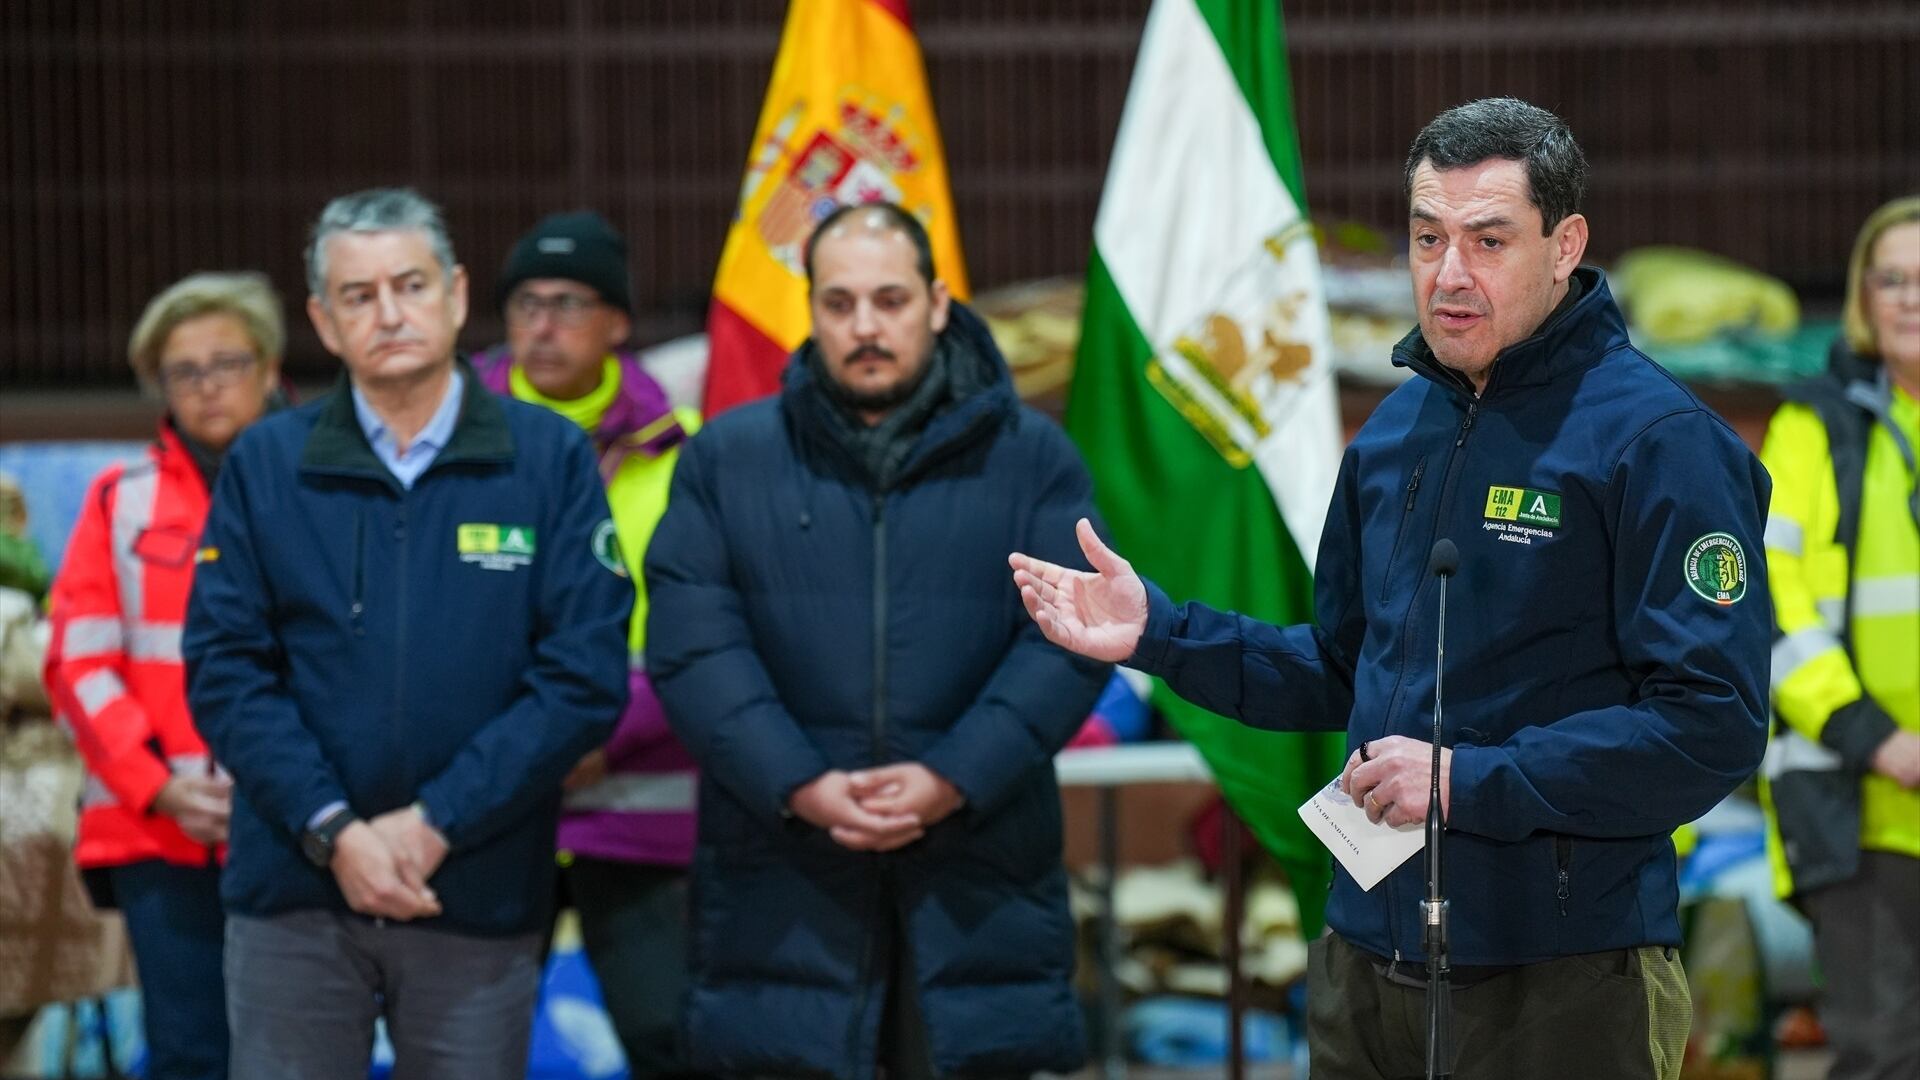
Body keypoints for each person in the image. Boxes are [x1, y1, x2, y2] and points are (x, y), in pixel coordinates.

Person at [1011, 98, 1772, 1080]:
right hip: (1366, 956)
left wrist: (1463, 781)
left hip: (1565, 972)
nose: (1448, 274)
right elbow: (1341, 668)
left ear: (1564, 243)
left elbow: (1710, 723)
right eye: (1427, 237)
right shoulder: (1390, 437)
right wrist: (1161, 633)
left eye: (1488, 240)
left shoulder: (1659, 443)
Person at [644, 202, 1112, 1080]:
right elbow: (693, 645)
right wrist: (800, 783)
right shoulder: (726, 459)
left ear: (937, 303)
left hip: (979, 882)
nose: (865, 327)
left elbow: (1068, 642)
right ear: (811, 309)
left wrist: (951, 778)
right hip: (782, 878)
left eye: (890, 300)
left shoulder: (1035, 460)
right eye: (840, 303)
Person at [182, 188, 629, 1078]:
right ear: (323, 319)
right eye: (358, 295)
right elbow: (227, 671)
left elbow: (583, 677)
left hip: (471, 888)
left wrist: (435, 823)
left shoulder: (547, 459)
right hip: (294, 898)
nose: (389, 313)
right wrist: (336, 830)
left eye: (411, 285)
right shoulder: (268, 465)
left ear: (457, 295)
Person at [473, 210, 705, 1078]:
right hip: (486, 798)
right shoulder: (458, 434)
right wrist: (529, 741)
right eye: (526, 302)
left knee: (670, 1040)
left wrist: (598, 733)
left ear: (617, 322)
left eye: (570, 303)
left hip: (638, 795)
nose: (543, 323)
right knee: (467, 1050)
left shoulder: (685, 449)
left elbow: (703, 628)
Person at [41, 271, 286, 1080]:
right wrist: (156, 785)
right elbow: (78, 660)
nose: (209, 386)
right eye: (186, 371)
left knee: (302, 1052)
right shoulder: (120, 500)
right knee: (190, 1053)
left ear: (271, 367)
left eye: (228, 362)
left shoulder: (322, 490)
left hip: (302, 827)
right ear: (161, 386)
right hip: (159, 828)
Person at [1759, 195, 1920, 1080]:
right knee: (1885, 1053)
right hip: (1859, 804)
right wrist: (1875, 737)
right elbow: (1774, 607)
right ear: (1862, 298)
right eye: (1890, 280)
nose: (1909, 299)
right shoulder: (1811, 429)